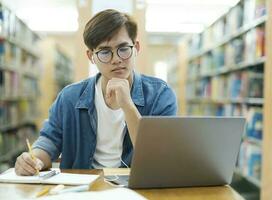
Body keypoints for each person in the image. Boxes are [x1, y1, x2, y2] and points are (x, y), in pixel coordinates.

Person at [14, 9, 177, 175]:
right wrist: (34, 160)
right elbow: (49, 140)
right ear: (91, 56)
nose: (116, 59)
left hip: (136, 187)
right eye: (105, 52)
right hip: (83, 187)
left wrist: (128, 106)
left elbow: (158, 157)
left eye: (123, 48)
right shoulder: (70, 97)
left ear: (136, 47)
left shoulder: (160, 95)